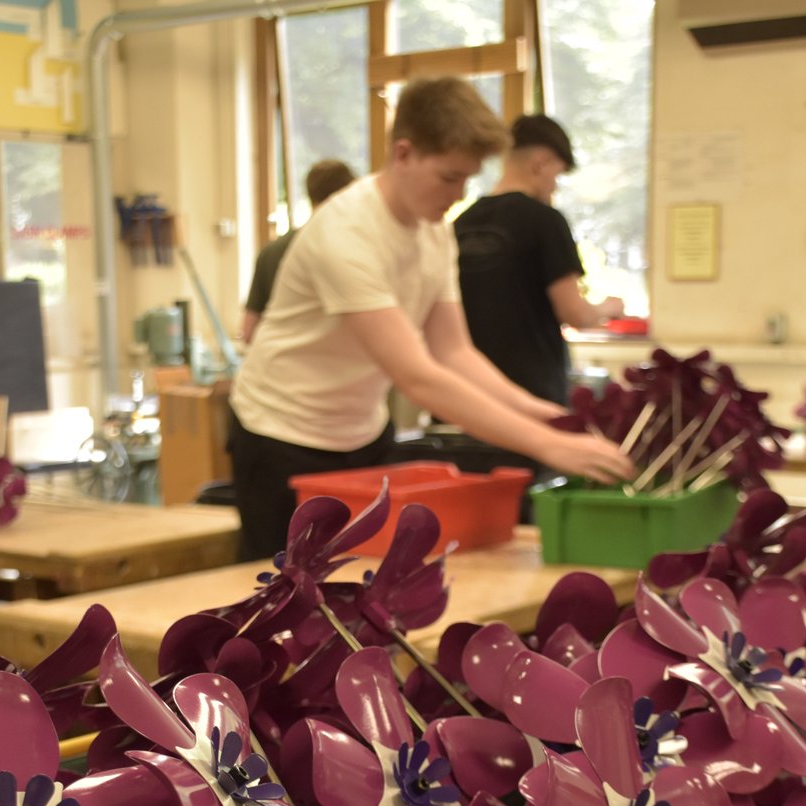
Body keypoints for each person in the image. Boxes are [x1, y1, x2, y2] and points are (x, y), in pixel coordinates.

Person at [228, 78, 634, 561]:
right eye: (449, 177)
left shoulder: (435, 230)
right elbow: (417, 376)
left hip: (362, 434)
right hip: (281, 436)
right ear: (404, 153)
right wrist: (550, 446)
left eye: (467, 179)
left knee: (364, 592)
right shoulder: (345, 234)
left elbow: (454, 352)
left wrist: (547, 414)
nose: (459, 193)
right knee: (287, 601)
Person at [455, 113, 625, 406]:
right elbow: (575, 313)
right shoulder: (545, 221)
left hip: (465, 395)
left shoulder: (461, 223)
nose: (555, 187)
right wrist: (611, 307)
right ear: (541, 163)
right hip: (531, 394)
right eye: (557, 176)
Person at [240, 159, 355, 344]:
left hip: (277, 362)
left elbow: (248, 331)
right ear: (347, 194)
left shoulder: (271, 251)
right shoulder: (346, 249)